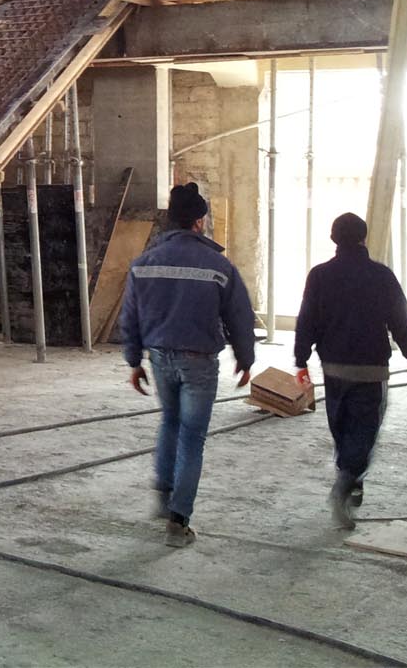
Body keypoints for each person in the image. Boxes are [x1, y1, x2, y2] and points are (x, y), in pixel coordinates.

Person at [121, 182, 257, 548]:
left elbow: (129, 316)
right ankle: (179, 521)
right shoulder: (218, 265)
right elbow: (240, 317)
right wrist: (246, 358)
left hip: (160, 357)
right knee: (192, 438)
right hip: (199, 362)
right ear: (200, 221)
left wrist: (134, 361)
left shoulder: (144, 263)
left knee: (170, 422)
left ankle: (164, 498)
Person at [293, 212, 407, 530]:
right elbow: (401, 319)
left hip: (334, 369)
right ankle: (345, 485)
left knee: (342, 428)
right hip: (370, 369)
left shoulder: (319, 275)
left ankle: (351, 482)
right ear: (364, 238)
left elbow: (306, 318)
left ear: (334, 239)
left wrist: (301, 359)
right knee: (363, 432)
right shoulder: (381, 275)